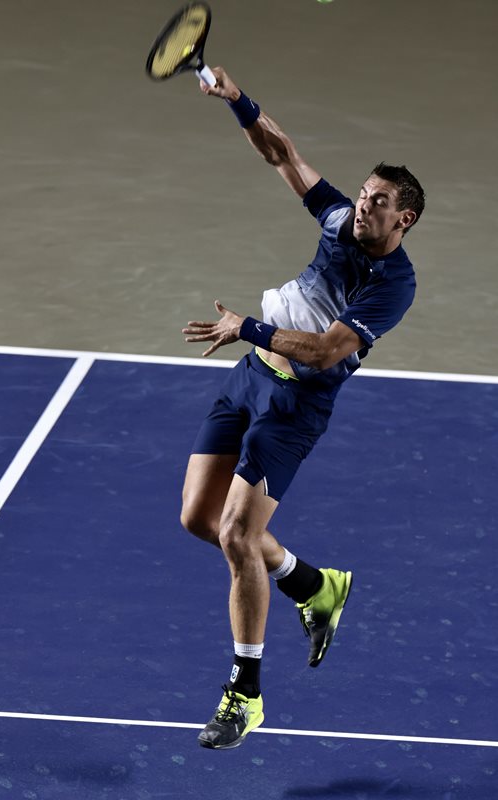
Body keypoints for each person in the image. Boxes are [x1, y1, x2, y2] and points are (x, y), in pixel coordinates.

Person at [180, 67, 425, 750]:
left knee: (236, 536)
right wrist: (237, 100)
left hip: (294, 406)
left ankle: (245, 695)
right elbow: (282, 154)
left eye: (379, 202)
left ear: (403, 219)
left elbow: (322, 351)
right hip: (250, 378)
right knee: (199, 518)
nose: (364, 206)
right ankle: (314, 586)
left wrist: (247, 326)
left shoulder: (394, 285)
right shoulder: (341, 219)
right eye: (365, 194)